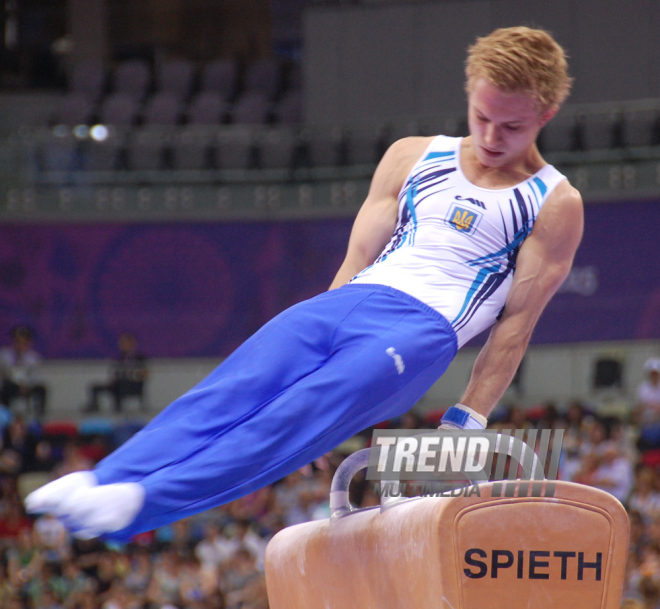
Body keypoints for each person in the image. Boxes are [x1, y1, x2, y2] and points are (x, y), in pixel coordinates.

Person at [25, 26, 583, 541]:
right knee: (229, 391)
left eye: (511, 127)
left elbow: (517, 322)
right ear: (469, 91)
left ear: (547, 114)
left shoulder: (553, 201)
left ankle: (139, 503)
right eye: (482, 116)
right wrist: (329, 317)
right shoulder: (412, 156)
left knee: (288, 419)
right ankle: (105, 479)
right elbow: (357, 258)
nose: (490, 136)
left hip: (420, 334)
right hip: (347, 303)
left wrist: (467, 417)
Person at [85, 333, 148, 413]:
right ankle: (94, 406)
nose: (124, 345)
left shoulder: (139, 358)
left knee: (120, 385)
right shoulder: (119, 358)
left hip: (133, 384)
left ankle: (118, 410)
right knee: (96, 386)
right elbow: (114, 372)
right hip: (118, 383)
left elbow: (144, 373)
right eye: (122, 343)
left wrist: (133, 375)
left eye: (126, 343)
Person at [0, 326, 47, 417]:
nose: (20, 345)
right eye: (18, 342)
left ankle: (39, 416)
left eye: (23, 343)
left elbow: (36, 376)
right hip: (11, 385)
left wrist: (27, 385)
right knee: (6, 386)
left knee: (42, 389)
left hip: (27, 385)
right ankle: (6, 415)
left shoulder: (33, 358)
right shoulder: (4, 356)